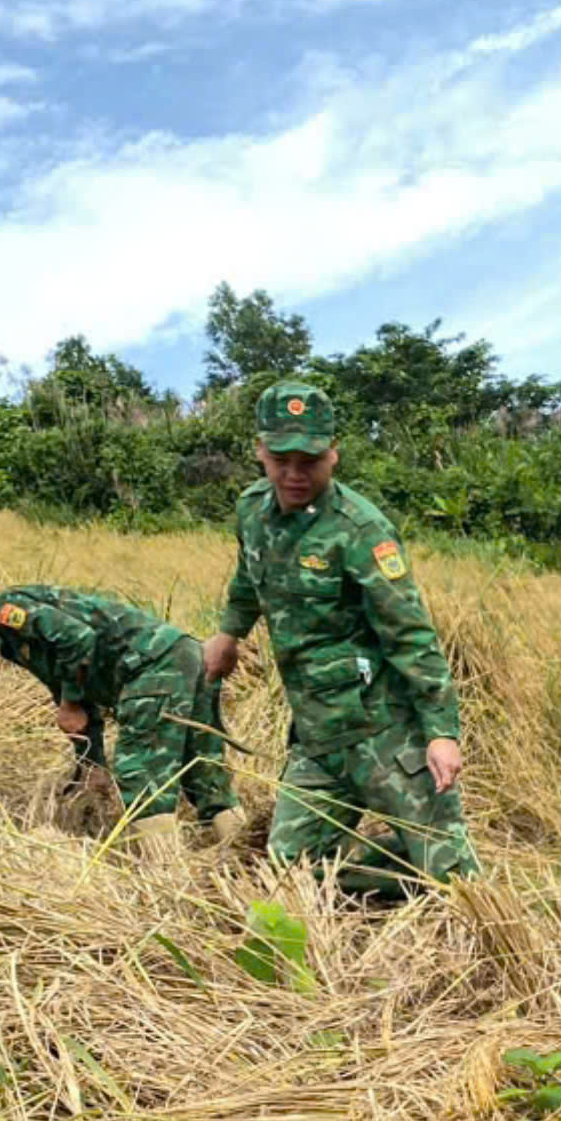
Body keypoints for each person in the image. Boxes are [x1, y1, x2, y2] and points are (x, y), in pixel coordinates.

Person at [201, 380, 476, 901]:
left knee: (458, 886)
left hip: (385, 730)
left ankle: (430, 858)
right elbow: (248, 575)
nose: (295, 474)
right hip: (318, 735)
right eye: (281, 458)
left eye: (311, 459)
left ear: (334, 454)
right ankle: (403, 864)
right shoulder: (251, 511)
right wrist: (228, 633)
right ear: (259, 450)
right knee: (290, 878)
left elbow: (411, 636)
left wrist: (441, 732)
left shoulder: (361, 530)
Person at [0, 584, 238, 848]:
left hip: (151, 664)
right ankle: (242, 850)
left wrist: (69, 702)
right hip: (185, 656)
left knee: (140, 771)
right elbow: (77, 698)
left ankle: (166, 881)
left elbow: (78, 639)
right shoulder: (12, 644)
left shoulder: (6, 611)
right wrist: (92, 761)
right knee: (203, 767)